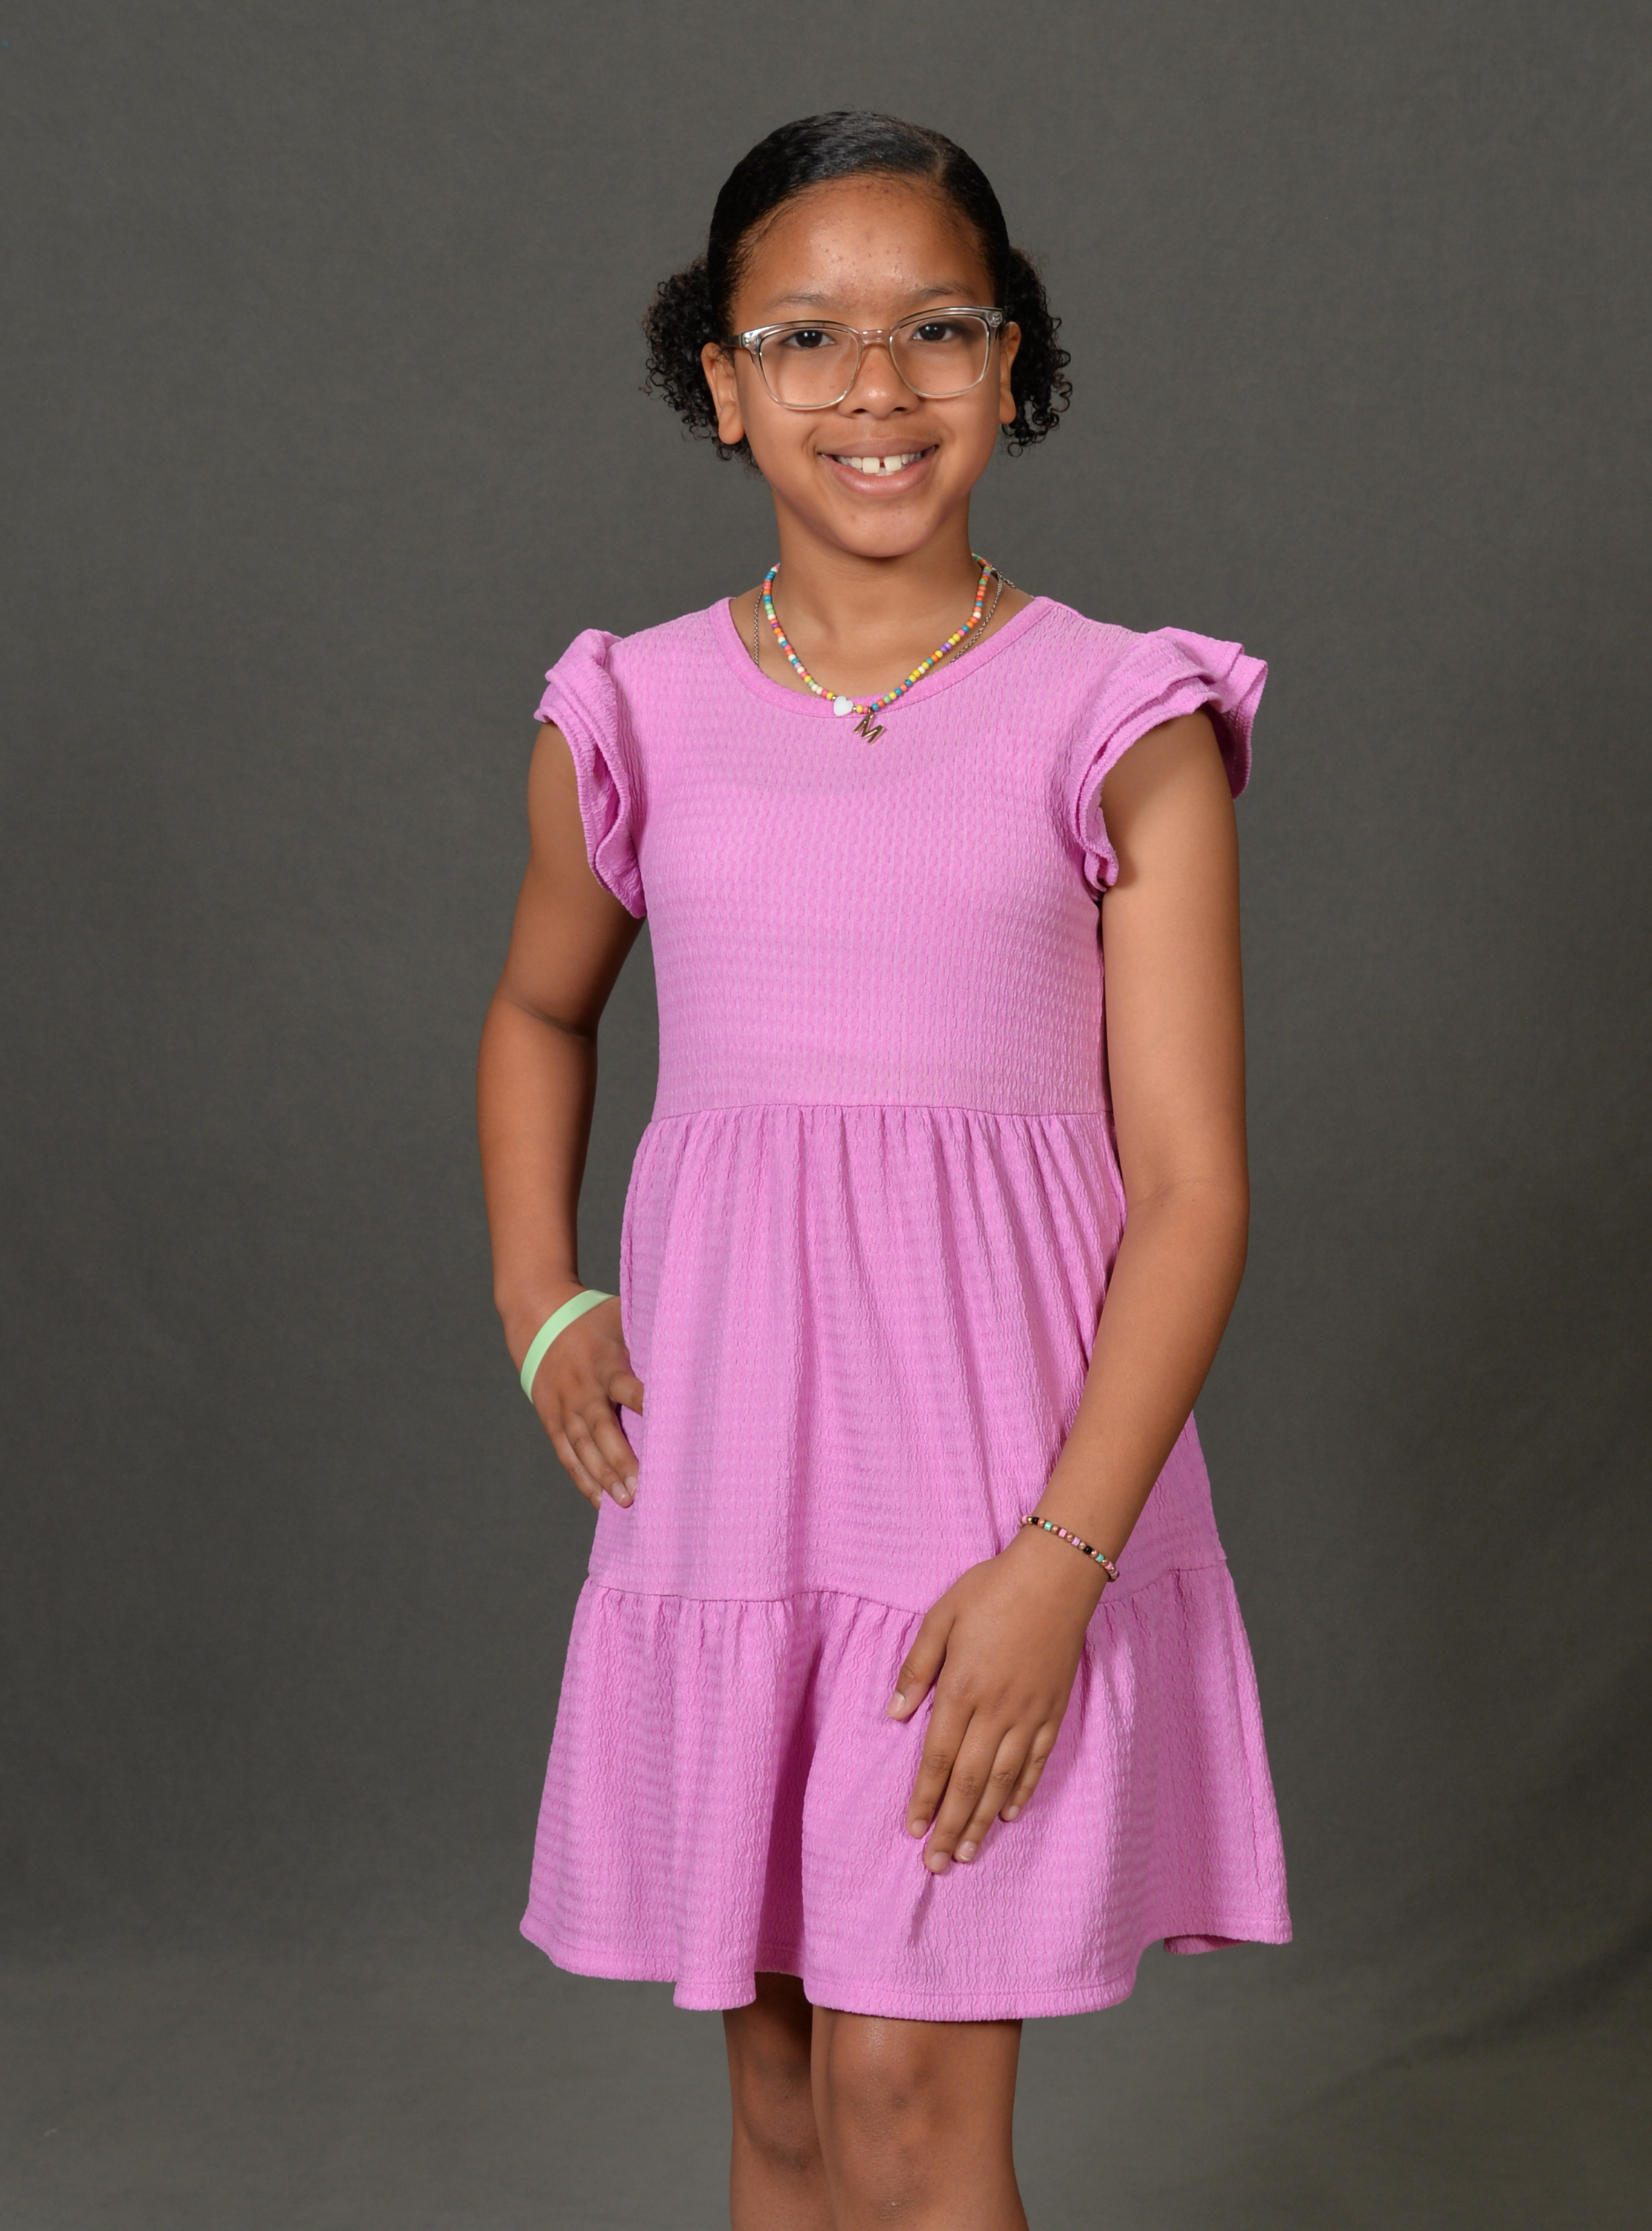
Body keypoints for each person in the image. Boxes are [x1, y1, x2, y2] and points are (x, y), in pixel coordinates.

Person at [477, 109, 1291, 2231]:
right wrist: (541, 1295)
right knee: (784, 2114)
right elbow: (541, 1012)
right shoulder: (633, 712)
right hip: (738, 1500)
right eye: (807, 337)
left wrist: (1063, 1560)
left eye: (938, 326)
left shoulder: (1119, 717)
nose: (876, 384)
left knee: (916, 2127)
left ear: (1011, 365)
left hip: (997, 1512)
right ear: (722, 382)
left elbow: (1195, 1185)